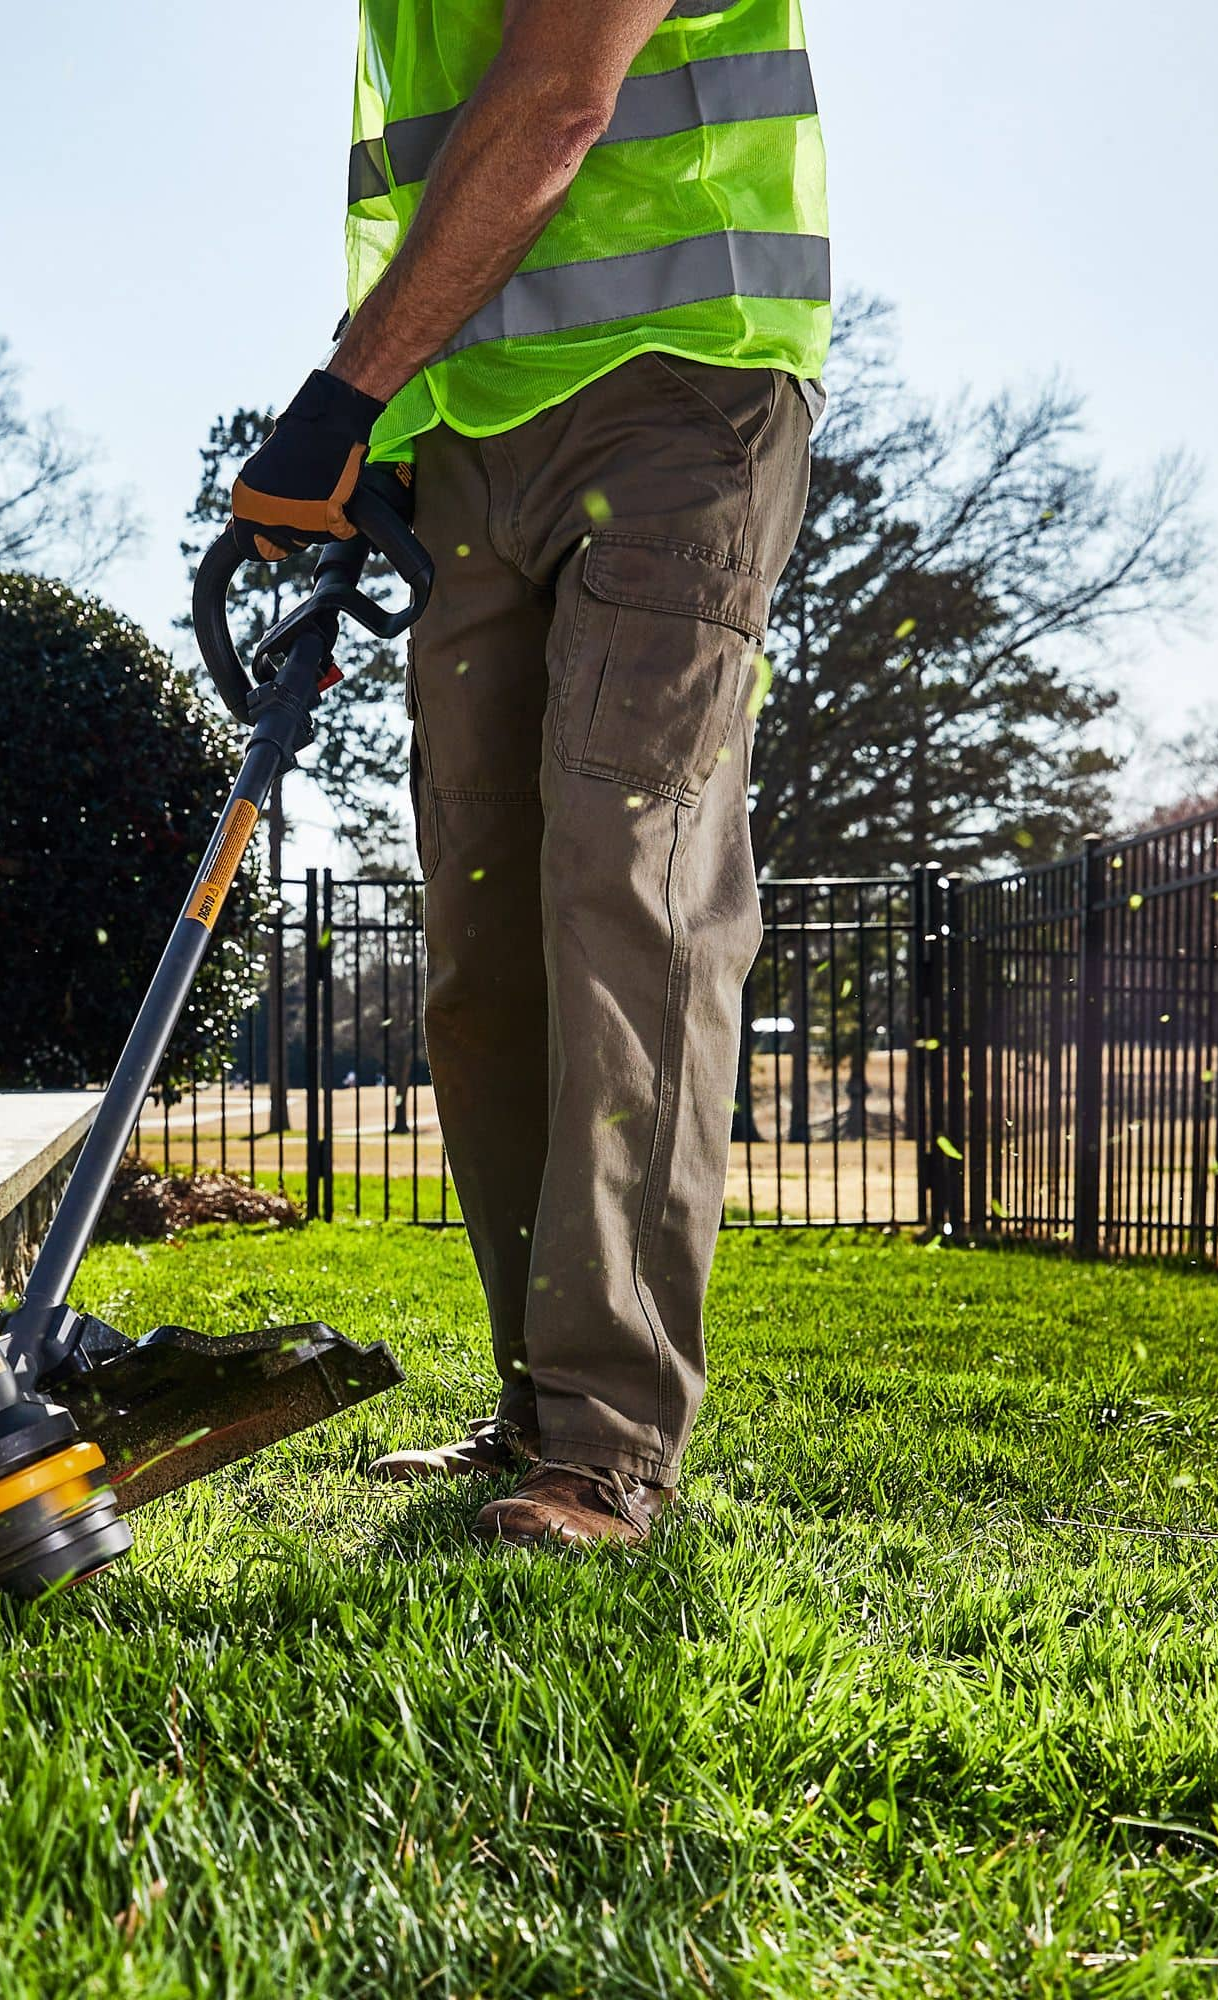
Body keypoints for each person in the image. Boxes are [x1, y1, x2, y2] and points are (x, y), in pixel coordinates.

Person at [230, 0, 829, 1547]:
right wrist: (394, 432)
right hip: (464, 439)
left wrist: (343, 394)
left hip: (680, 395)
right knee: (482, 943)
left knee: (624, 889)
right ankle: (530, 1412)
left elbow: (561, 98)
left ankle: (612, 1440)